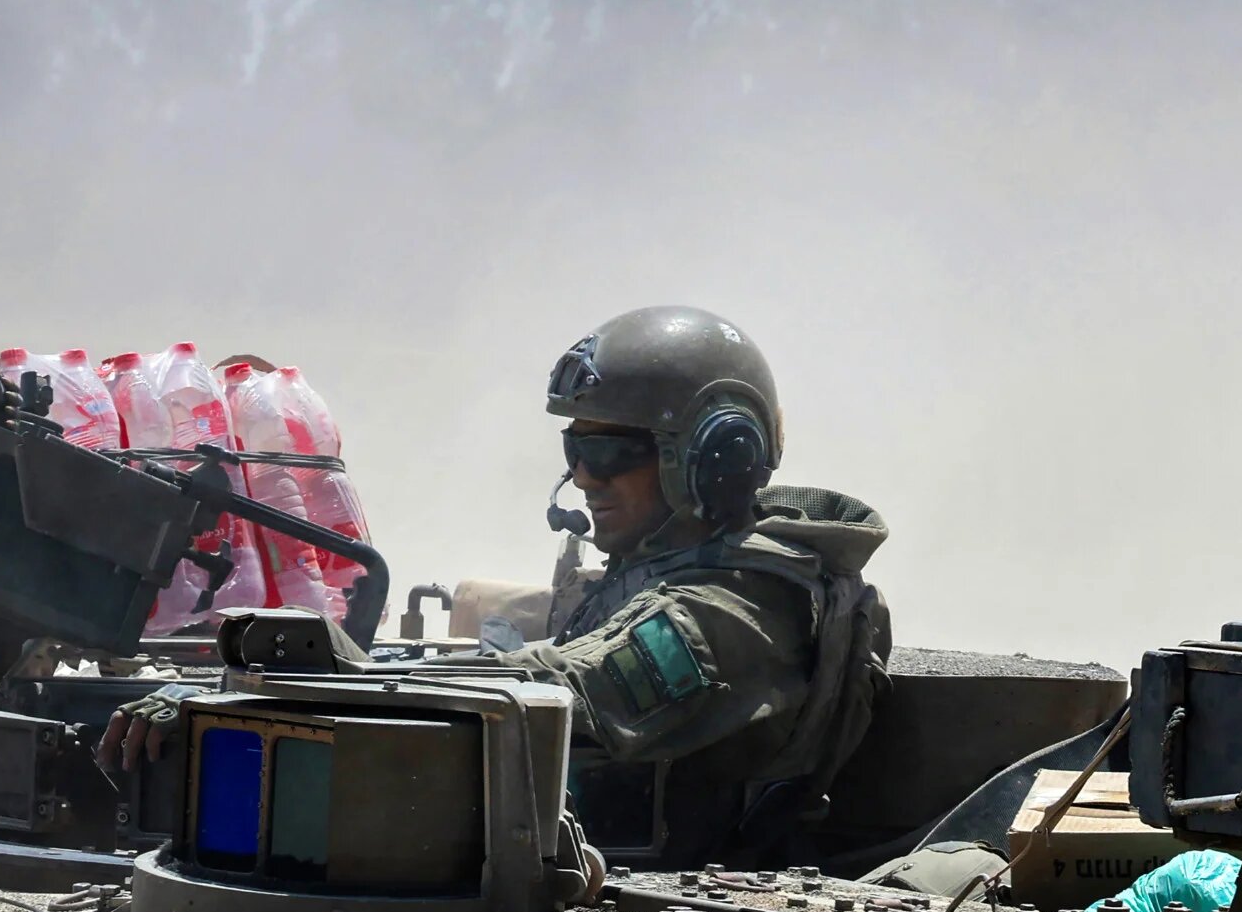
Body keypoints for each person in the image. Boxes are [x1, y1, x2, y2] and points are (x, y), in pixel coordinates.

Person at [104, 306, 892, 868]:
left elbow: (556, 687)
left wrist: (273, 691)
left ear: (711, 458)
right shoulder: (660, 564)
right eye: (574, 447)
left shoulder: (739, 607)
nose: (583, 476)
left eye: (610, 452)